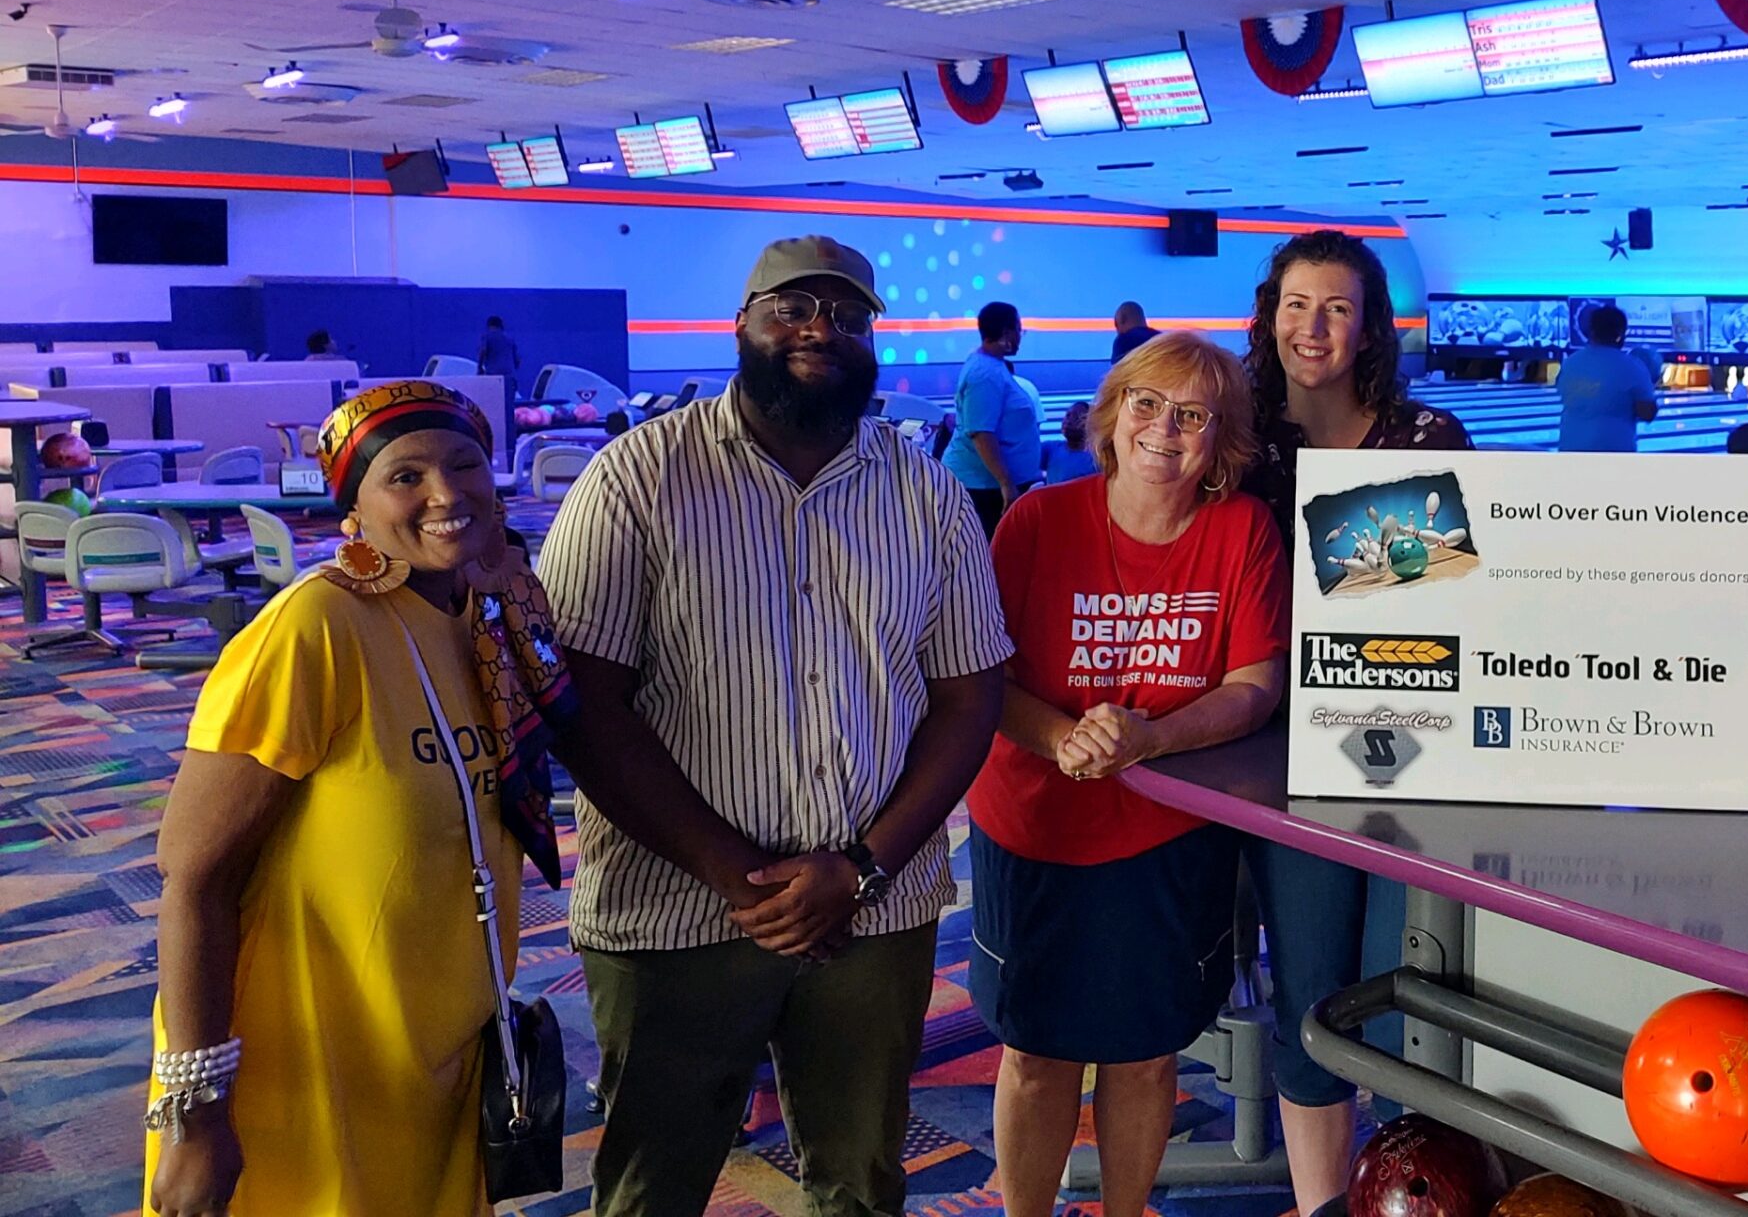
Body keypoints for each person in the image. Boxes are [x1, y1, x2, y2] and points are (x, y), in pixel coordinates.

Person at [148, 380, 779, 1217]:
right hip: (311, 1063)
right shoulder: (316, 629)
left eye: (464, 464)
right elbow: (193, 877)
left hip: (446, 1053)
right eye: (404, 476)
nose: (446, 494)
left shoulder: (491, 620)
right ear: (355, 506)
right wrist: (197, 1115)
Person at [539, 235, 1014, 1217]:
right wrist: (735, 874)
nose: (819, 331)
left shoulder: (924, 493)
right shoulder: (636, 479)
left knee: (861, 1182)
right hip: (675, 908)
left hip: (872, 909)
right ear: (743, 325)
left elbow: (971, 696)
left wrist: (864, 866)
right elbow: (585, 704)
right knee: (649, 1186)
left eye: (845, 316)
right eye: (793, 309)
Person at [972, 332, 1286, 1217]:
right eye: (1146, 404)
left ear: (1218, 442)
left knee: (1146, 1053)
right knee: (1036, 1053)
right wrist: (1068, 737)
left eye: (1192, 415)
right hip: (1034, 827)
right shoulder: (1038, 521)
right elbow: (982, 677)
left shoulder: (1241, 531)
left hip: (1167, 834)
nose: (1164, 428)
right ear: (1111, 418)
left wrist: (1148, 738)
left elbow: (1253, 686)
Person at [1240, 229, 1471, 1214]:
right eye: (1297, 304)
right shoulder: (1236, 436)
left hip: (1402, 744)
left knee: (1408, 981)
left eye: (1337, 307)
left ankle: (1408, 1175)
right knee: (1306, 985)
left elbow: (1433, 605)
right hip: (1258, 747)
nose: (1314, 328)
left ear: (1370, 323)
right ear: (1269, 313)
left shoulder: (1427, 436)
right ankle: (1315, 1201)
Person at [946, 300, 1043, 536]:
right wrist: (1006, 483)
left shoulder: (991, 366)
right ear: (1007, 331)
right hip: (984, 490)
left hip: (989, 487)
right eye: (1019, 330)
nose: (1020, 336)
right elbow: (981, 433)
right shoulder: (985, 374)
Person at [1555, 303, 1657, 452]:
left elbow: (1563, 393)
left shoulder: (1570, 363)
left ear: (1591, 331)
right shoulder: (1632, 366)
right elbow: (1648, 413)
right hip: (1613, 453)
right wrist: (1652, 380)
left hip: (1569, 450)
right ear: (1620, 334)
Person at [1042, 398, 1099, 484]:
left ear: (1089, 425)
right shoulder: (1050, 449)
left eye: (1077, 417)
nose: (1068, 421)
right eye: (1068, 416)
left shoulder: (1097, 458)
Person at [477, 315, 523, 402]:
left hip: (493, 376)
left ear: (489, 325)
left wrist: (479, 368)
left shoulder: (487, 336)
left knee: (494, 402)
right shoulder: (510, 339)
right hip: (510, 376)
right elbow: (517, 360)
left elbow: (483, 351)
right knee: (509, 402)